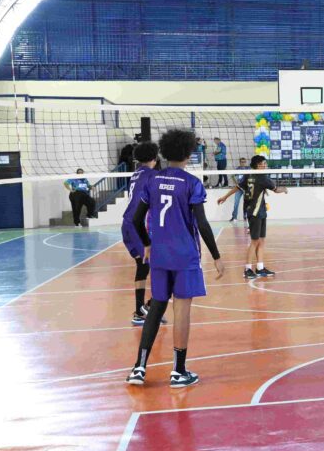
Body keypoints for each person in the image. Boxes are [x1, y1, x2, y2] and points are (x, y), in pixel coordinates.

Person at [125, 129, 225, 388]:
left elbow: (136, 219)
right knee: (181, 312)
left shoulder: (152, 181)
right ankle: (178, 372)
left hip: (159, 255)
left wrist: (147, 244)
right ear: (190, 153)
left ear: (164, 152)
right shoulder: (192, 183)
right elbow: (202, 224)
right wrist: (216, 256)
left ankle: (139, 368)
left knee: (156, 308)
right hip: (185, 256)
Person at [217, 155, 287, 278]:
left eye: (265, 163)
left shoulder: (248, 175)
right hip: (255, 212)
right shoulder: (263, 178)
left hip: (259, 211)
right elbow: (276, 189)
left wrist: (225, 197)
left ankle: (260, 267)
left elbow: (237, 187)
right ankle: (247, 269)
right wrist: (284, 189)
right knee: (255, 241)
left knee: (261, 240)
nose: (265, 165)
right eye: (263, 164)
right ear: (258, 165)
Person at [123, 141, 160, 326]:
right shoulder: (153, 175)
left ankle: (140, 310)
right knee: (159, 266)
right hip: (139, 225)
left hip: (127, 224)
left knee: (143, 266)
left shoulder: (136, 173)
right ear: (155, 157)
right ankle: (151, 307)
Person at [229, 157, 247, 222]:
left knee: (246, 203)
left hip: (246, 188)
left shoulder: (248, 169)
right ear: (240, 162)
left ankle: (245, 217)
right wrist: (236, 183)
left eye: (244, 162)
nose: (243, 163)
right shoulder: (238, 169)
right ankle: (234, 217)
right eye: (242, 162)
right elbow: (232, 176)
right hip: (239, 188)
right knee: (236, 203)